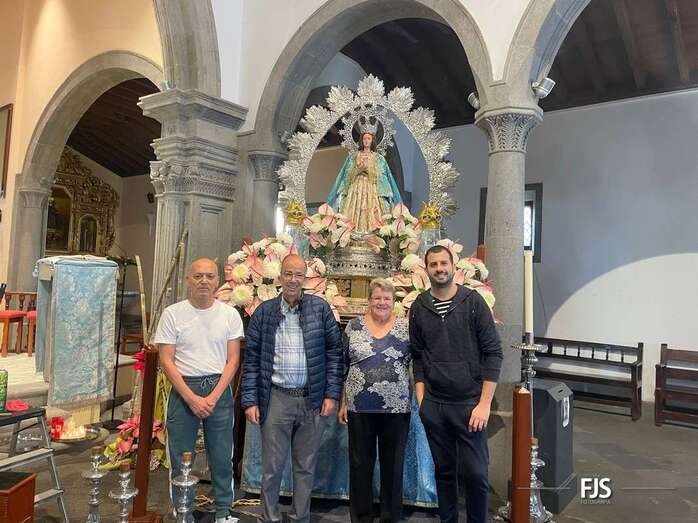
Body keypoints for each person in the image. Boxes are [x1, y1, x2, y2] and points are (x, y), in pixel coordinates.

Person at [241, 254, 343, 523]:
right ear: (280, 277)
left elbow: (334, 354)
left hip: (312, 399)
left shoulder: (320, 309)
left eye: (299, 274)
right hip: (276, 398)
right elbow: (251, 359)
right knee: (272, 468)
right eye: (288, 274)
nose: (293, 280)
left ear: (305, 278)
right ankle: (270, 517)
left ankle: (300, 517)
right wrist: (250, 401)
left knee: (305, 467)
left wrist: (331, 394)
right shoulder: (264, 312)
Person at [409, 245, 503, 523]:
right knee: (444, 472)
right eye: (433, 264)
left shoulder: (473, 302)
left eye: (444, 263)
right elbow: (418, 357)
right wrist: (422, 401)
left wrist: (484, 404)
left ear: (453, 266)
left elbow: (493, 353)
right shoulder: (419, 306)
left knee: (476, 474)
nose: (439, 269)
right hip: (435, 405)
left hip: (469, 405)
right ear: (426, 269)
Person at [154, 257, 244, 523]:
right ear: (188, 280)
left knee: (222, 455)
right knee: (181, 455)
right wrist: (191, 397)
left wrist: (213, 396)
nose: (204, 281)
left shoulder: (229, 314)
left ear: (217, 282)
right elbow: (166, 360)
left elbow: (233, 360)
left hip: (219, 388)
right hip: (184, 388)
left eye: (209, 276)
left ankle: (223, 511)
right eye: (198, 276)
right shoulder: (172, 314)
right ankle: (183, 511)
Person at [338, 278, 411, 523]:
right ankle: (361, 517)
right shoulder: (354, 326)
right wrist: (343, 402)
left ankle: (390, 517)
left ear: (394, 301)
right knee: (360, 466)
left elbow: (418, 364)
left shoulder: (406, 328)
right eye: (377, 298)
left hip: (396, 409)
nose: (382, 302)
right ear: (369, 300)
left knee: (393, 467)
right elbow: (343, 365)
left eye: (387, 298)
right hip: (359, 407)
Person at [327, 131, 402, 232]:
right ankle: (350, 232)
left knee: (373, 211)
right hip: (356, 188)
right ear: (361, 141)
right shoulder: (353, 157)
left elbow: (381, 175)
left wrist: (368, 169)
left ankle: (372, 233)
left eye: (369, 139)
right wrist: (358, 170)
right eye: (364, 139)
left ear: (372, 141)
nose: (366, 141)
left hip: (372, 188)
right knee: (352, 211)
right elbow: (347, 175)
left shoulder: (378, 158)